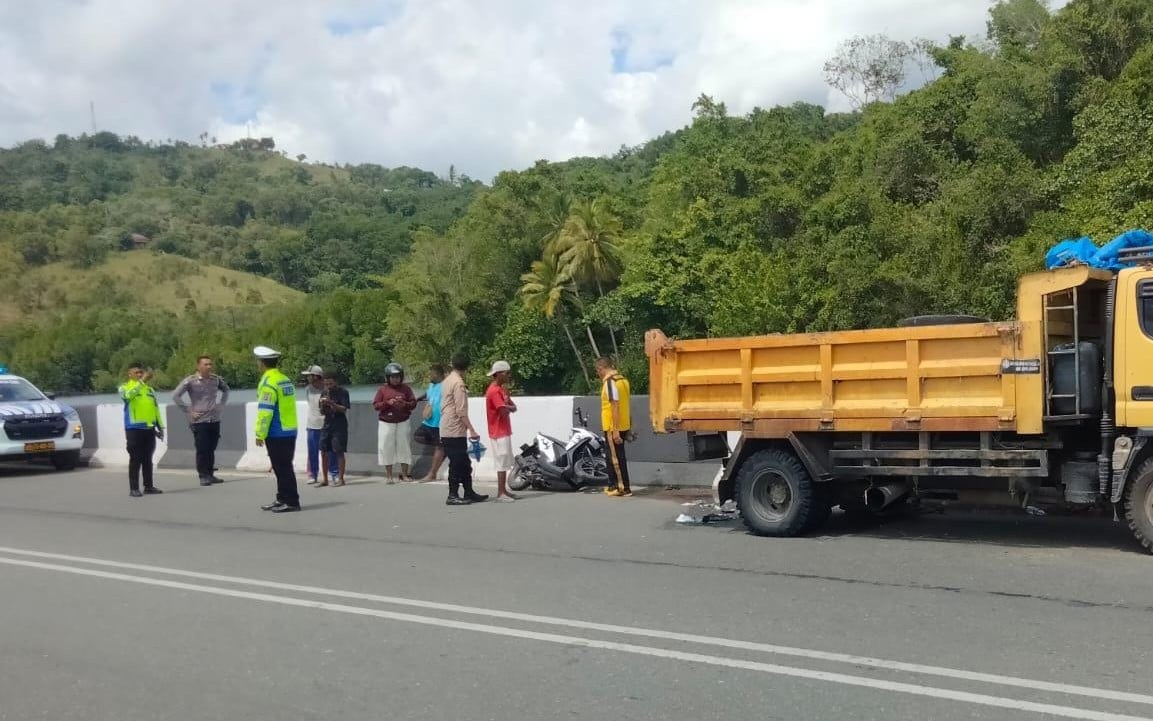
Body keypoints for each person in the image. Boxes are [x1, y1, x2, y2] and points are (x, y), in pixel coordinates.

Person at [254, 346, 300, 513]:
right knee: (283, 466)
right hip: (290, 429)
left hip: (276, 431)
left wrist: (260, 433)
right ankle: (282, 498)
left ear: (261, 363)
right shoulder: (284, 379)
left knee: (282, 468)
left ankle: (292, 501)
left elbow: (265, 411)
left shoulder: (268, 383)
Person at [171, 355, 230, 486]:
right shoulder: (190, 381)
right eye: (206, 364)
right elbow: (175, 395)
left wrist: (222, 404)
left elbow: (226, 390)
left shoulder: (216, 380)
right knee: (202, 449)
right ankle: (203, 475)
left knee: (211, 448)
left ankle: (210, 474)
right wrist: (188, 410)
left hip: (214, 419)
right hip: (199, 420)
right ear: (198, 366)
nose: (209, 367)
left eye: (210, 364)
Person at [440, 353, 487, 505]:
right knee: (457, 463)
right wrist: (472, 429)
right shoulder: (458, 383)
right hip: (454, 428)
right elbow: (461, 411)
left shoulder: (447, 380)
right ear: (467, 368)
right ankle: (452, 494)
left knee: (464, 462)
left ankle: (469, 491)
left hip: (448, 427)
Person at [118, 363, 164, 498]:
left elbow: (155, 409)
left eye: (141, 372)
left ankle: (148, 486)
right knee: (135, 459)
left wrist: (160, 427)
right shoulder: (124, 388)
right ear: (129, 374)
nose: (139, 375)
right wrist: (142, 381)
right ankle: (134, 488)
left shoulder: (149, 390)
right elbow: (128, 396)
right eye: (136, 373)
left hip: (149, 428)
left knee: (147, 459)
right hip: (134, 429)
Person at [373, 362, 417, 483]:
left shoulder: (406, 389)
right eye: (393, 377)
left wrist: (405, 404)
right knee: (386, 447)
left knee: (404, 447)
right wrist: (387, 403)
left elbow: (413, 403)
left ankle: (405, 474)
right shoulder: (382, 390)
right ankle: (389, 476)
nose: (395, 379)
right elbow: (376, 405)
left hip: (403, 421)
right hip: (386, 422)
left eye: (397, 376)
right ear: (388, 378)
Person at [597, 356, 633, 498]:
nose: (598, 374)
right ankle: (614, 485)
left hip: (613, 426)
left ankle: (621, 487)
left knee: (615, 458)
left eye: (598, 371)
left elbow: (615, 405)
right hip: (623, 423)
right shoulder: (623, 380)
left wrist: (615, 429)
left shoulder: (610, 383)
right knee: (617, 455)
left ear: (601, 368)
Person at [485, 360, 518, 502]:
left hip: (503, 429)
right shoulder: (494, 391)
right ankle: (500, 493)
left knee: (504, 460)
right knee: (501, 461)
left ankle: (503, 490)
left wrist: (508, 406)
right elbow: (504, 411)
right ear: (499, 374)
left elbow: (512, 406)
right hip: (498, 431)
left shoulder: (501, 390)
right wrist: (508, 407)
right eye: (507, 373)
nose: (509, 376)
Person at [301, 365, 339, 486]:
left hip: (326, 424)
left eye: (310, 376)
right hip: (312, 424)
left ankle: (334, 473)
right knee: (312, 451)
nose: (308, 378)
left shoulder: (327, 389)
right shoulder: (308, 389)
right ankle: (313, 474)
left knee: (331, 451)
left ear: (317, 376)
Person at [319, 371, 351, 487]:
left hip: (339, 424)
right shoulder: (323, 392)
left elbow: (344, 409)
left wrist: (331, 403)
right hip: (327, 423)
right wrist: (323, 405)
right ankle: (325, 479)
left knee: (339, 451)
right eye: (326, 384)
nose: (328, 386)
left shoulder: (343, 392)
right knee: (323, 451)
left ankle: (341, 479)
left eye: (330, 384)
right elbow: (322, 412)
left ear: (336, 382)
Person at [416, 363, 447, 481]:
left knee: (439, 447)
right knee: (417, 436)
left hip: (439, 422)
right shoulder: (431, 385)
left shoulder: (445, 385)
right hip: (429, 420)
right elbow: (427, 393)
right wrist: (419, 398)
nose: (429, 376)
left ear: (437, 374)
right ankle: (441, 446)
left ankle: (432, 473)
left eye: (431, 373)